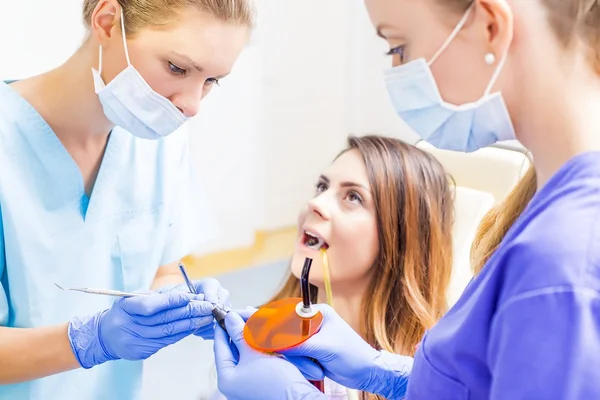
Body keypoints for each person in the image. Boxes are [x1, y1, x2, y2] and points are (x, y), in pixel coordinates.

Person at [213, 0, 600, 398]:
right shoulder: (547, 217)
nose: (398, 72)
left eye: (398, 47)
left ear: (489, 26)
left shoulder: (566, 260)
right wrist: (385, 374)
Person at [0, 0, 254, 399]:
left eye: (211, 81)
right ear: (106, 21)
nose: (191, 105)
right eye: (177, 68)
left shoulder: (160, 144)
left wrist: (176, 300)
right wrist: (90, 340)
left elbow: (161, 269)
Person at [210, 134, 455, 399]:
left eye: (353, 197)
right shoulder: (260, 346)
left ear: (401, 238)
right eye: (321, 187)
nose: (316, 203)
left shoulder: (436, 368)